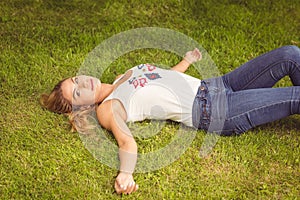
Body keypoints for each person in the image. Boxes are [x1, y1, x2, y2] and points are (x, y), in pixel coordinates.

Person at [40, 45, 300, 195]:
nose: (82, 82)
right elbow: (127, 142)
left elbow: (163, 78)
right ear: (81, 104)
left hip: (219, 85)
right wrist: (125, 174)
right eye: (77, 91)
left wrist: (185, 62)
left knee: (289, 54)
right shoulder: (108, 108)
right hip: (218, 110)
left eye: (75, 79)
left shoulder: (123, 75)